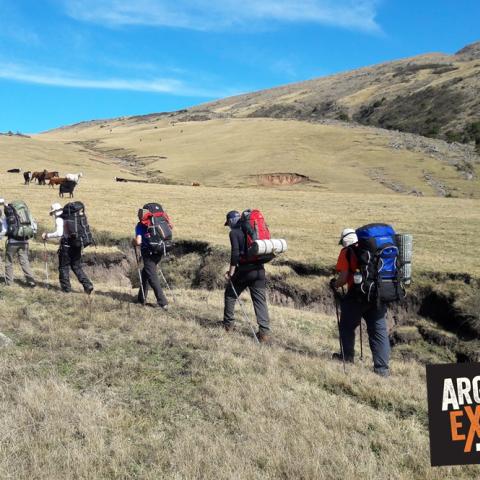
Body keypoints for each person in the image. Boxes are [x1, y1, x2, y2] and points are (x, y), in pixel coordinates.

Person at [330, 228, 390, 376]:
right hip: (377, 294)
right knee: (378, 331)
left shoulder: (347, 252)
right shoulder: (374, 251)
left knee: (346, 326)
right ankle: (382, 369)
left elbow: (343, 278)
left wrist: (334, 285)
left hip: (356, 296)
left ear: (344, 241)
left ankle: (348, 357)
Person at [222, 210, 271, 342]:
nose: (229, 226)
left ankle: (228, 325)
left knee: (230, 294)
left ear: (232, 221)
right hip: (260, 269)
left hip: (245, 270)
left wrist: (231, 272)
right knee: (260, 301)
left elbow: (235, 253)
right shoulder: (251, 230)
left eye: (229, 223)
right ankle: (264, 333)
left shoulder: (234, 233)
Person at [42, 202, 93, 294]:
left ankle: (66, 289)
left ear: (54, 212)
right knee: (76, 266)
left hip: (66, 246)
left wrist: (47, 235)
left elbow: (59, 233)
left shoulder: (60, 219)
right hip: (77, 245)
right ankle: (87, 285)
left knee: (63, 267)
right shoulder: (72, 216)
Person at [133, 209, 169, 310]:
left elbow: (139, 242)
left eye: (138, 214)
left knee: (152, 277)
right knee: (145, 274)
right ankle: (141, 299)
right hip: (159, 250)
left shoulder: (140, 225)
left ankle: (163, 302)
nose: (137, 215)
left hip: (148, 252)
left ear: (141, 216)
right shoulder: (156, 222)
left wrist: (133, 241)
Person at [0, 198, 36, 287]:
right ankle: (30, 280)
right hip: (24, 241)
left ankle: (9, 282)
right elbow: (34, 227)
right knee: (24, 261)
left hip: (12, 242)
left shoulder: (7, 217)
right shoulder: (27, 215)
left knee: (9, 262)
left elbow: (4, 230)